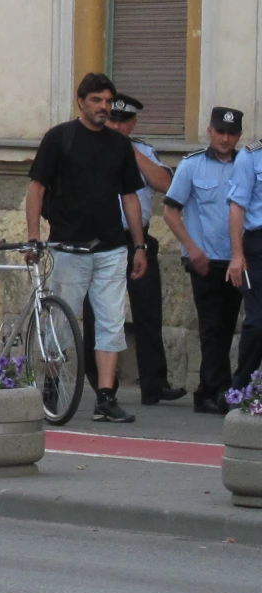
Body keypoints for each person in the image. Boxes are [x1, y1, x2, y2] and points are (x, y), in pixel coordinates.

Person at [25, 72, 146, 424]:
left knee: (111, 322)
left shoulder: (119, 144)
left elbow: (130, 197)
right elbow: (37, 189)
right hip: (68, 247)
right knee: (62, 321)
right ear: (81, 101)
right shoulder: (59, 138)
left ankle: (106, 397)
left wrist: (139, 245)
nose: (103, 107)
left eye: (108, 101)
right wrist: (34, 235)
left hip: (110, 248)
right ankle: (51, 383)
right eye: (97, 100)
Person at [105, 93, 177, 408]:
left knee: (148, 311)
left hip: (139, 239)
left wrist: (132, 153)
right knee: (102, 314)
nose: (117, 126)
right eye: (112, 120)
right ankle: (103, 385)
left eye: (124, 121)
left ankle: (154, 384)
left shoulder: (143, 150)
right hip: (104, 239)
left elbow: (166, 184)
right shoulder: (92, 151)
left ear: (133, 123)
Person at [176, 107, 246, 412]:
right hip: (204, 260)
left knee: (227, 325)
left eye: (231, 133)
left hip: (236, 260)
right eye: (220, 132)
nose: (225, 138)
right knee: (211, 326)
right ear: (210, 131)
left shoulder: (247, 165)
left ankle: (208, 390)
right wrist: (192, 249)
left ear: (239, 135)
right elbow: (170, 210)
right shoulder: (191, 166)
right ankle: (218, 390)